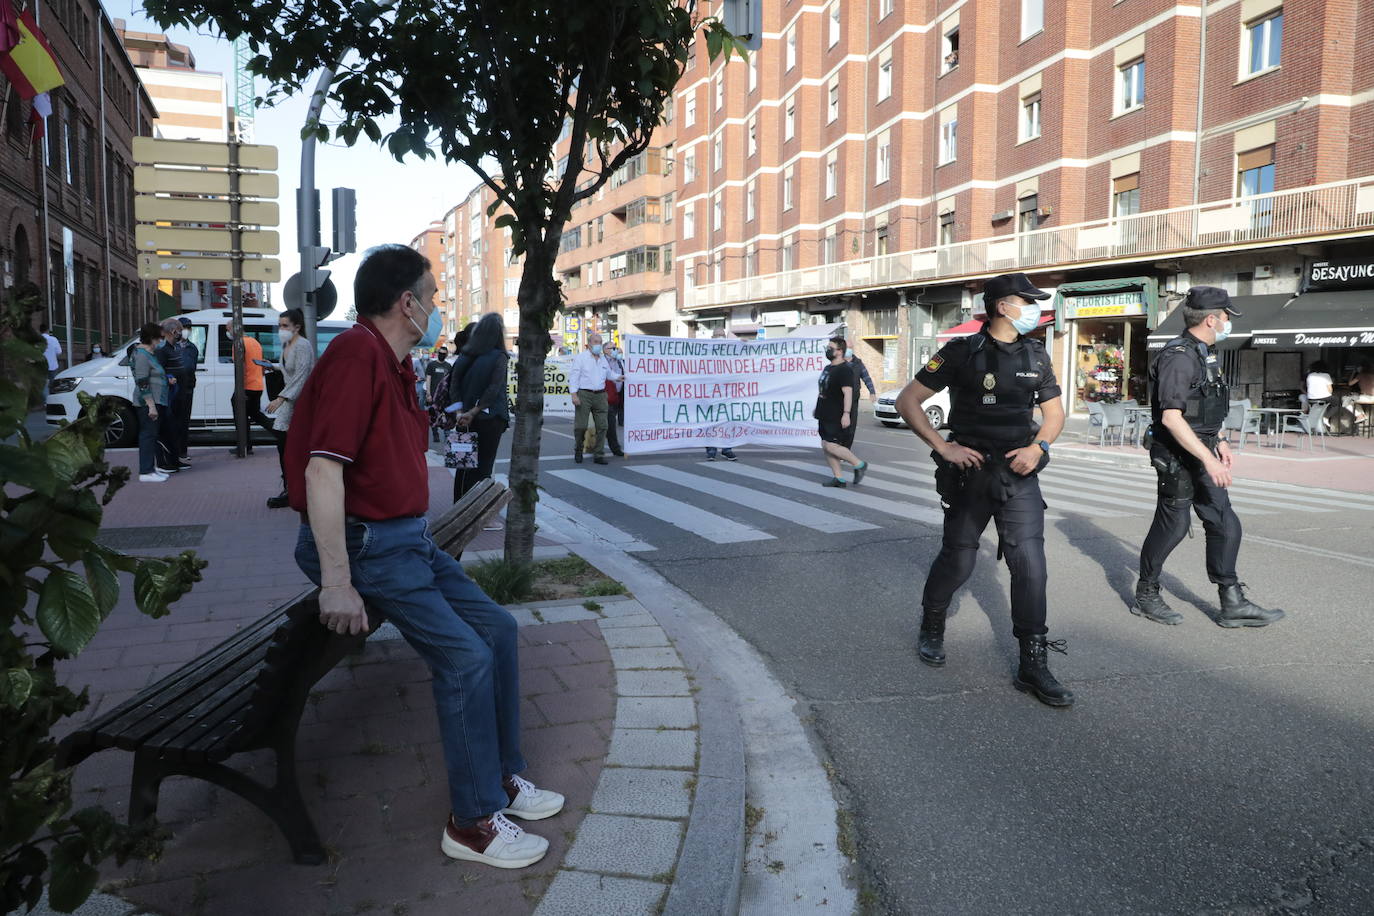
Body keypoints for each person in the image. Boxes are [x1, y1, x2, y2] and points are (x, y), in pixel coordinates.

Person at [286, 244, 563, 869]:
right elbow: (323, 471)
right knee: (464, 658)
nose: (438, 308)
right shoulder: (357, 355)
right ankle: (471, 823)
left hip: (406, 537)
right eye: (433, 297)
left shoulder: (395, 361)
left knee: (497, 628)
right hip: (370, 545)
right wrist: (337, 583)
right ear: (406, 303)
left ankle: (502, 779)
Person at [894, 273, 1072, 708]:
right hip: (970, 473)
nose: (1033, 308)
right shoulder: (961, 352)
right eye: (1025, 301)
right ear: (1001, 306)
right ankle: (932, 624)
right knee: (959, 559)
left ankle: (1032, 663)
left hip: (1019, 474)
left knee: (1030, 565)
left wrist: (1039, 447)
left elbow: (1054, 413)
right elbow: (907, 401)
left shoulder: (1036, 352)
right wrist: (944, 446)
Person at [1132, 286, 1283, 629]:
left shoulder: (1205, 353)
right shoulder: (1179, 357)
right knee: (1174, 525)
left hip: (1202, 448)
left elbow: (1207, 406)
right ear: (1211, 319)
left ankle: (1231, 602)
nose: (1229, 321)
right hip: (1176, 453)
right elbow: (1172, 418)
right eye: (1226, 316)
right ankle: (1146, 593)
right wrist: (1209, 459)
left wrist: (1221, 442)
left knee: (1224, 522)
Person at [447, 313, 511, 506]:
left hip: (463, 420)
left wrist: (460, 412)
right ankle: (475, 514)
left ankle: (458, 507)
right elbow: (493, 389)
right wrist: (475, 411)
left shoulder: (465, 355)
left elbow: (454, 384)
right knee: (484, 468)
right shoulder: (499, 356)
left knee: (463, 465)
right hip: (490, 419)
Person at [266, 308, 316, 509]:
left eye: (285, 325)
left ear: (297, 326)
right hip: (291, 402)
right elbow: (291, 370)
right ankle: (291, 487)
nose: (281, 329)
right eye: (279, 325)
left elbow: (302, 375)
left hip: (300, 403)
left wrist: (280, 398)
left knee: (291, 447)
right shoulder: (287, 344)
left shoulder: (303, 345)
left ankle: (295, 489)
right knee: (284, 446)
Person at [814, 335, 868, 488]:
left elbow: (848, 393)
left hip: (836, 415)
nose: (827, 350)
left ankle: (859, 464)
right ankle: (839, 478)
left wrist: (846, 413)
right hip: (824, 413)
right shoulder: (828, 368)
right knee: (825, 445)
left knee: (832, 445)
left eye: (830, 348)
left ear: (840, 351)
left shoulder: (844, 370)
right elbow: (824, 389)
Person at [570, 333, 620, 464]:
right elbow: (574, 376)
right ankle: (578, 449)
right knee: (581, 426)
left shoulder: (603, 359)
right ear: (589, 344)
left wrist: (618, 377)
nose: (598, 344)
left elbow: (609, 374)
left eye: (600, 342)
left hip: (600, 395)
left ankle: (599, 454)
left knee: (603, 426)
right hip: (584, 394)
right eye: (595, 342)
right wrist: (574, 394)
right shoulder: (581, 358)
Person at [130, 323, 170, 483]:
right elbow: (142, 381)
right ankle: (146, 471)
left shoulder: (149, 354)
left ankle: (150, 468)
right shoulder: (141, 355)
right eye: (160, 338)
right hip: (148, 401)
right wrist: (151, 405)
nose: (162, 341)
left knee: (152, 434)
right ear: (152, 338)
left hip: (155, 399)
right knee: (148, 434)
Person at [228, 327, 275, 455]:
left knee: (240, 416)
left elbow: (240, 366)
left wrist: (240, 389)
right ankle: (279, 433)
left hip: (246, 386)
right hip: (257, 385)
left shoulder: (238, 343)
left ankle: (243, 446)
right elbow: (261, 364)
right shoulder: (255, 342)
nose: (228, 332)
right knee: (256, 414)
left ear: (234, 329)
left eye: (228, 329)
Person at [155, 318, 193, 473]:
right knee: (167, 429)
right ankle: (164, 462)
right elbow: (158, 371)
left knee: (177, 428)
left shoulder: (174, 347)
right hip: (170, 396)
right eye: (179, 329)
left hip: (179, 395)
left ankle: (175, 459)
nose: (181, 332)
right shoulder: (162, 350)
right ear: (173, 331)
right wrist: (168, 378)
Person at [174, 316, 199, 462]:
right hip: (174, 387)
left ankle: (182, 451)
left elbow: (191, 367)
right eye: (184, 328)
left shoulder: (192, 347)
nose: (186, 331)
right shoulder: (171, 346)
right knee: (174, 420)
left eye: (189, 328)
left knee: (184, 421)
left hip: (187, 387)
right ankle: (174, 450)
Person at [603, 343, 626, 457]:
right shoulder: (602, 361)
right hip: (605, 397)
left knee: (608, 424)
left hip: (618, 397)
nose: (615, 350)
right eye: (612, 348)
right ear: (605, 350)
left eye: (616, 348)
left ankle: (598, 447)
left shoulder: (620, 361)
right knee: (610, 424)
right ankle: (614, 448)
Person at [426, 347, 453, 442]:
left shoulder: (449, 366)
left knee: (446, 415)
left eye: (444, 353)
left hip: (444, 396)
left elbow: (451, 381)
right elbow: (428, 379)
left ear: (446, 355)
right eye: (440, 353)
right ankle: (435, 434)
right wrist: (428, 393)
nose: (442, 355)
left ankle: (447, 435)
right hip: (433, 395)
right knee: (433, 416)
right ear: (438, 353)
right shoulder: (431, 365)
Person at [40, 323, 61, 400]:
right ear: (47, 330)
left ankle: (46, 401)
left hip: (41, 365)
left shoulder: (37, 340)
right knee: (53, 383)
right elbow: (59, 352)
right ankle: (53, 400)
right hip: (53, 365)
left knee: (44, 384)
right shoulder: (53, 339)